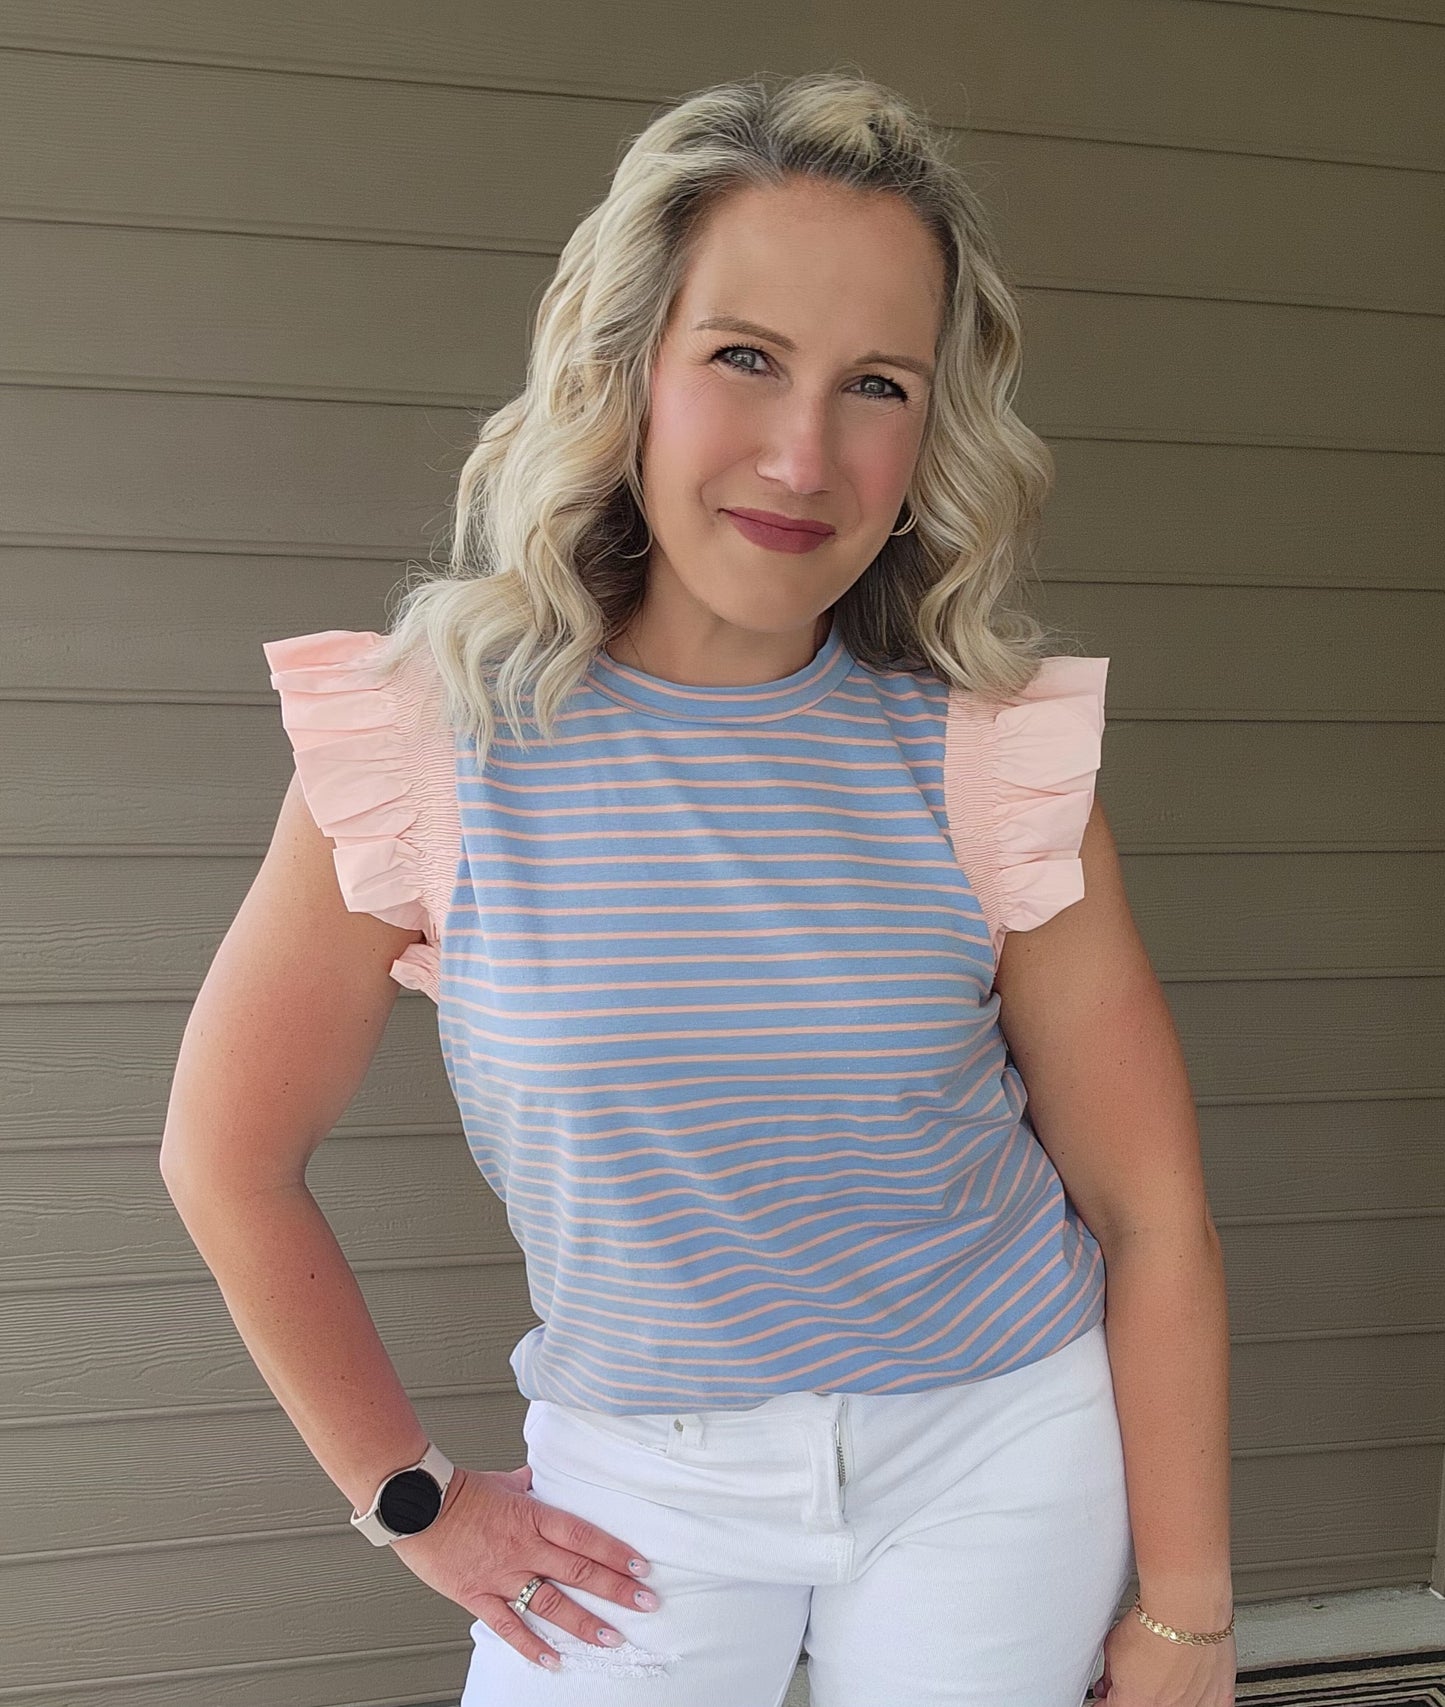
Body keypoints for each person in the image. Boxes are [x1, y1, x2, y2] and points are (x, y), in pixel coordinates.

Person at [161, 70, 1236, 1707]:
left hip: (995, 1452)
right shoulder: (427, 748)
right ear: (628, 370)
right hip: (633, 1487)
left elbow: (1150, 1218)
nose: (801, 453)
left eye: (874, 383)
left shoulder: (989, 762)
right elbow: (226, 1157)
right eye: (743, 356)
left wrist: (1187, 1622)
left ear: (926, 428)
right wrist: (413, 1501)